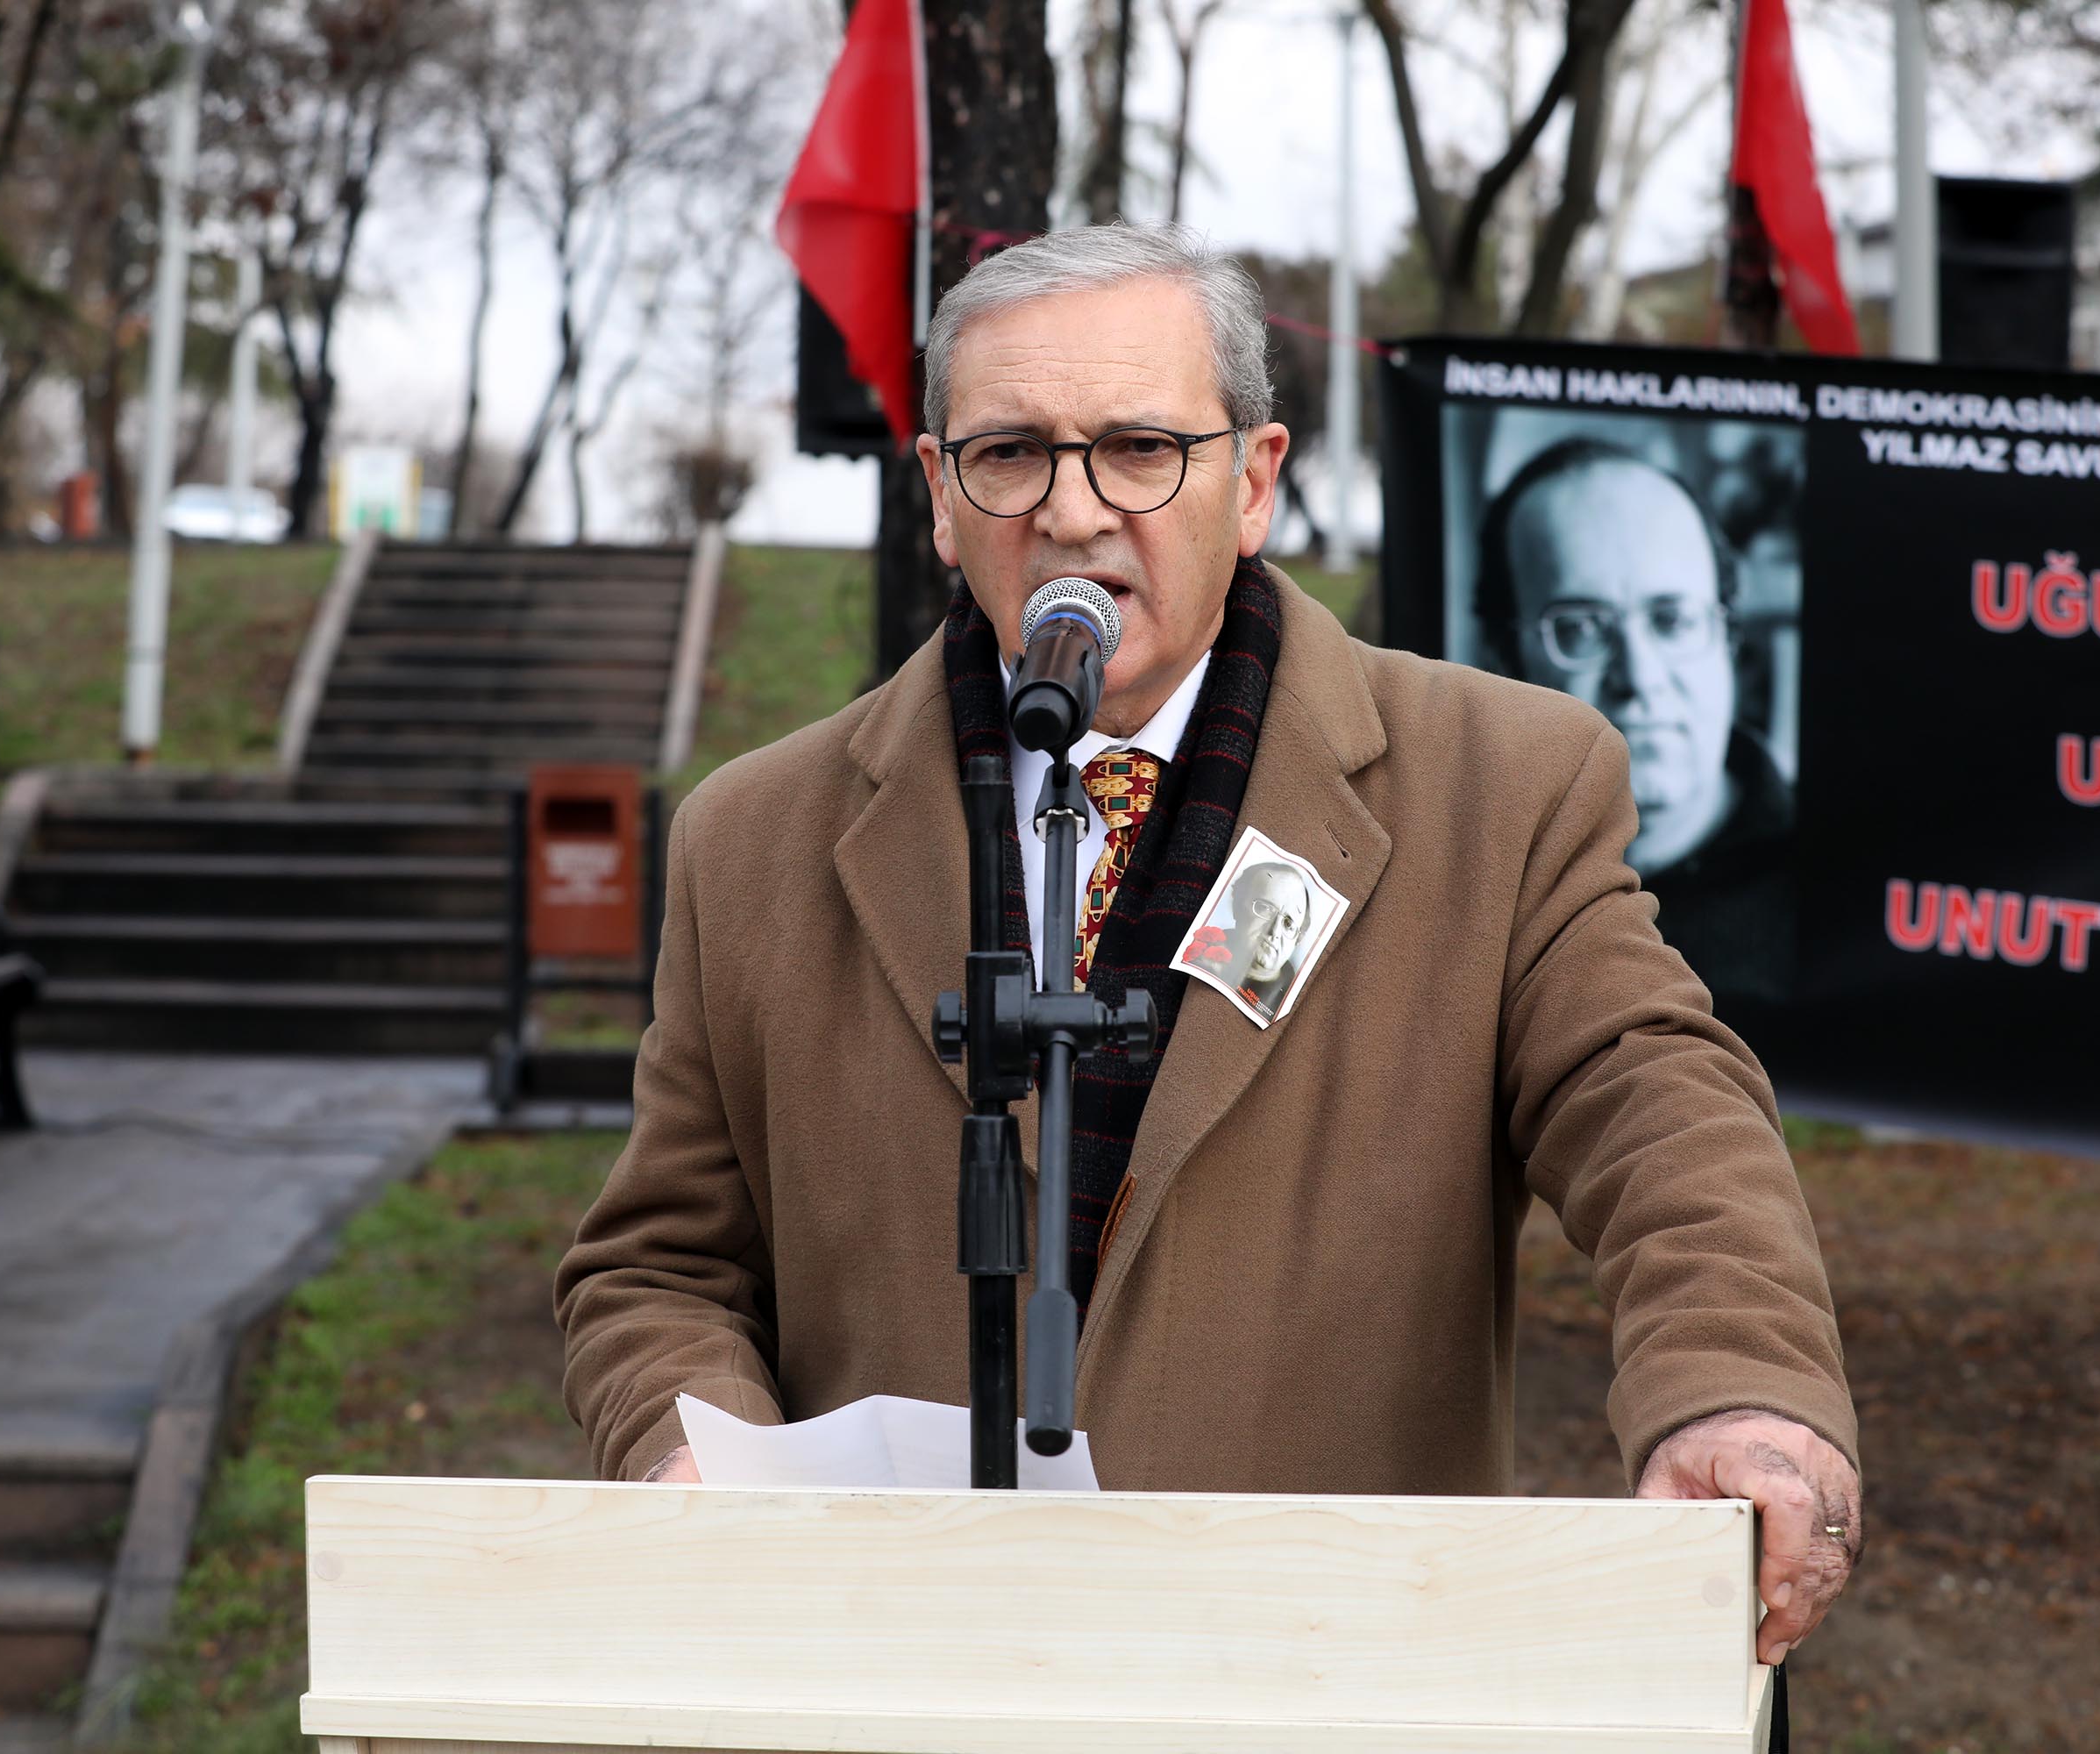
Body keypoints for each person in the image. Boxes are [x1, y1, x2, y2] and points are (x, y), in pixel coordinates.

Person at [556, 225, 1862, 1668]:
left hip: (1328, 1670)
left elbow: (1658, 1110)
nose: (1071, 511)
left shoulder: (1501, 787)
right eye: (1009, 456)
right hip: (887, 1671)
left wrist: (1738, 1392)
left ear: (1253, 482)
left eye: (1138, 448)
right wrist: (700, 1466)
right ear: (937, 494)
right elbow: (659, 1267)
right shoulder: (754, 837)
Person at [1475, 439, 1796, 1001]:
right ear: (1503, 662)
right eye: (1581, 629)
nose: (1642, 676)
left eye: (1672, 620)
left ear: (1728, 637)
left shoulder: (1845, 891)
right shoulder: (1445, 872)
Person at [1180, 855, 1315, 1023]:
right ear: (1237, 907)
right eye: (1266, 908)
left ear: (1298, 938)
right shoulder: (1198, 952)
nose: (1275, 931)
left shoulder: (1300, 1006)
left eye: (1289, 924)